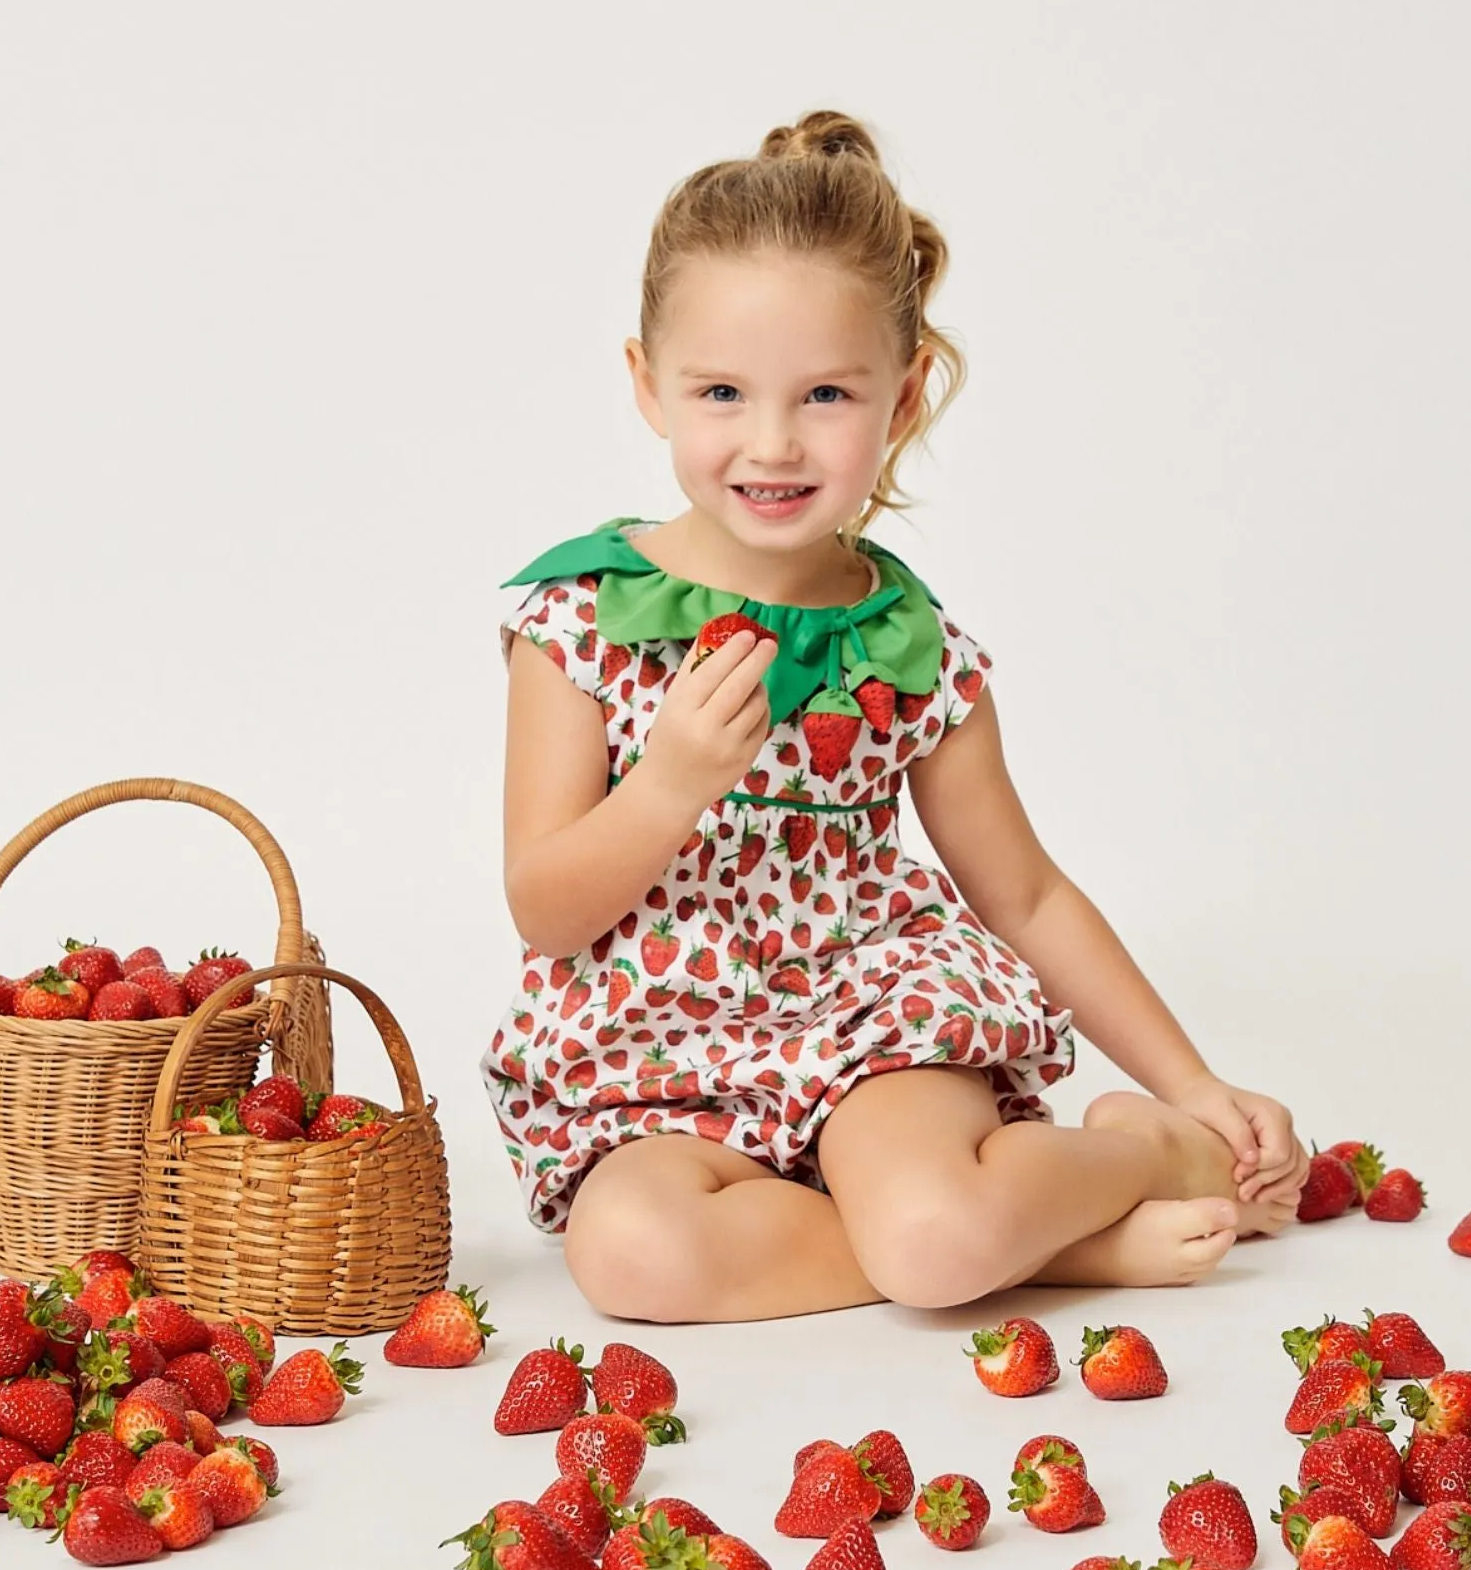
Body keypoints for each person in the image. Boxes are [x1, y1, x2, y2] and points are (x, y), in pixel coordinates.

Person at [479, 109, 1311, 1324]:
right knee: (632, 1255)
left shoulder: (909, 649)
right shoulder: (578, 619)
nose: (769, 442)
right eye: (720, 390)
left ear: (904, 396)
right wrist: (662, 787)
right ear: (646, 386)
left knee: (926, 1238)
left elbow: (1021, 894)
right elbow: (541, 904)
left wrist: (1189, 1083)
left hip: (868, 1013)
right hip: (651, 1054)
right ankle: (1059, 1244)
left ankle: (1147, 1152)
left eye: (823, 393)